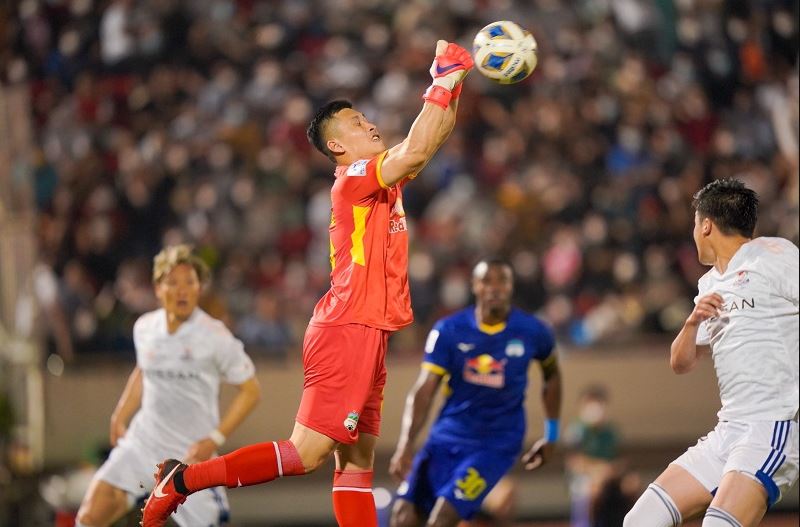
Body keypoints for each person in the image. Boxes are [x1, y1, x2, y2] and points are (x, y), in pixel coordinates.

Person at [141, 39, 474, 527]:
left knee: (357, 463)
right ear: (337, 145)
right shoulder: (354, 178)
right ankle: (184, 481)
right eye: (357, 123)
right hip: (348, 327)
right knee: (306, 453)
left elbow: (426, 145)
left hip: (368, 329)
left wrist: (453, 82)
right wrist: (443, 78)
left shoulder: (379, 178)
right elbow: (419, 146)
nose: (370, 124)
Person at [624, 178, 799, 527]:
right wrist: (691, 324)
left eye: (694, 224)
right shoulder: (710, 283)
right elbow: (681, 363)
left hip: (772, 426)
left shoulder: (774, 255)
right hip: (728, 430)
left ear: (705, 225)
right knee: (640, 521)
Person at [75, 244, 261, 527]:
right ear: (158, 288)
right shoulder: (145, 328)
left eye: (190, 282)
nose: (182, 289)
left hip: (189, 458)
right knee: (89, 516)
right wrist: (121, 414)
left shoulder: (215, 336)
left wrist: (214, 440)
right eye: (173, 282)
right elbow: (143, 371)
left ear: (199, 288)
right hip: (143, 444)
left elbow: (251, 391)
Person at [388, 258, 562, 527]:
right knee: (403, 516)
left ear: (511, 287)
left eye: (501, 281)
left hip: (495, 445)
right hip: (445, 438)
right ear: (474, 286)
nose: (494, 288)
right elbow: (424, 390)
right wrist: (405, 444)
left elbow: (552, 377)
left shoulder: (533, 331)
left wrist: (551, 435)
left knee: (442, 519)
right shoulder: (448, 330)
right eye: (486, 281)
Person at [564, 385, 619, 527]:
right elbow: (574, 463)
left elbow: (620, 460)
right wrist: (598, 469)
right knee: (594, 489)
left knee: (632, 485)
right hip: (582, 480)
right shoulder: (576, 431)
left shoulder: (610, 432)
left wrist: (610, 471)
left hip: (610, 477)